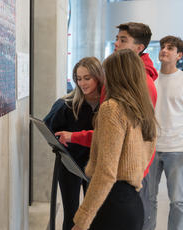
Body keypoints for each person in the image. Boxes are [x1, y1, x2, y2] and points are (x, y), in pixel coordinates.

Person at [59, 22, 158, 229]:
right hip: (132, 201)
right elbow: (146, 151)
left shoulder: (112, 108)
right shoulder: (143, 106)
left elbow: (106, 172)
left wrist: (82, 219)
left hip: (112, 202)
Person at [44, 57, 104, 230]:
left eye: (87, 78)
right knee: (71, 214)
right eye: (78, 78)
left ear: (98, 77)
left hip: (97, 165)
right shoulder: (67, 104)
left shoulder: (107, 104)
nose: (82, 83)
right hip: (70, 165)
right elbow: (49, 129)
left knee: (93, 213)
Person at [149, 36, 183, 230]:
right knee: (148, 199)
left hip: (177, 149)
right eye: (163, 47)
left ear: (179, 55)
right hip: (151, 148)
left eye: (170, 48)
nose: (164, 50)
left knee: (178, 201)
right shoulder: (151, 80)